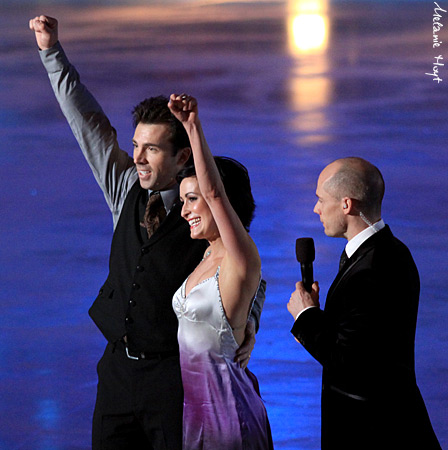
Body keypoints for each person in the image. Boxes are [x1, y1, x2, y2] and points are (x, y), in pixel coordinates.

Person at [30, 15, 266, 449]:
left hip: (173, 380)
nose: (137, 157)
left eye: (151, 149)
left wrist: (245, 325)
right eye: (136, 145)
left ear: (181, 159)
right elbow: (86, 124)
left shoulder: (203, 213)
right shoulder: (125, 190)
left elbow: (248, 269)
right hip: (117, 371)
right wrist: (51, 52)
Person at [287, 157, 441, 450]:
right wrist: (319, 320)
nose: (316, 208)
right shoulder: (388, 251)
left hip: (373, 431)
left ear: (346, 204)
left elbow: (350, 364)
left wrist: (305, 316)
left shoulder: (373, 269)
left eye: (321, 199)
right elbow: (367, 341)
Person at [168, 94, 273, 449]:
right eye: (182, 200)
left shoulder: (240, 259)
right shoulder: (206, 257)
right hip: (196, 416)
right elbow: (256, 292)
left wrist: (192, 127)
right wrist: (251, 325)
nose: (184, 211)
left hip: (231, 420)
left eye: (191, 199)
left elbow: (214, 193)